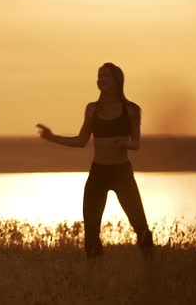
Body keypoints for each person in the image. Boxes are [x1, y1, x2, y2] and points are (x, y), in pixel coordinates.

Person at [36, 62, 153, 258]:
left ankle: (152, 267)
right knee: (91, 231)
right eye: (99, 76)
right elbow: (81, 141)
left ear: (117, 80)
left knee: (140, 225)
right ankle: (95, 275)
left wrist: (123, 143)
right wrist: (51, 137)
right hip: (98, 173)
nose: (101, 79)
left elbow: (136, 144)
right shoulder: (92, 109)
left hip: (122, 173)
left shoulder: (131, 109)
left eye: (106, 76)